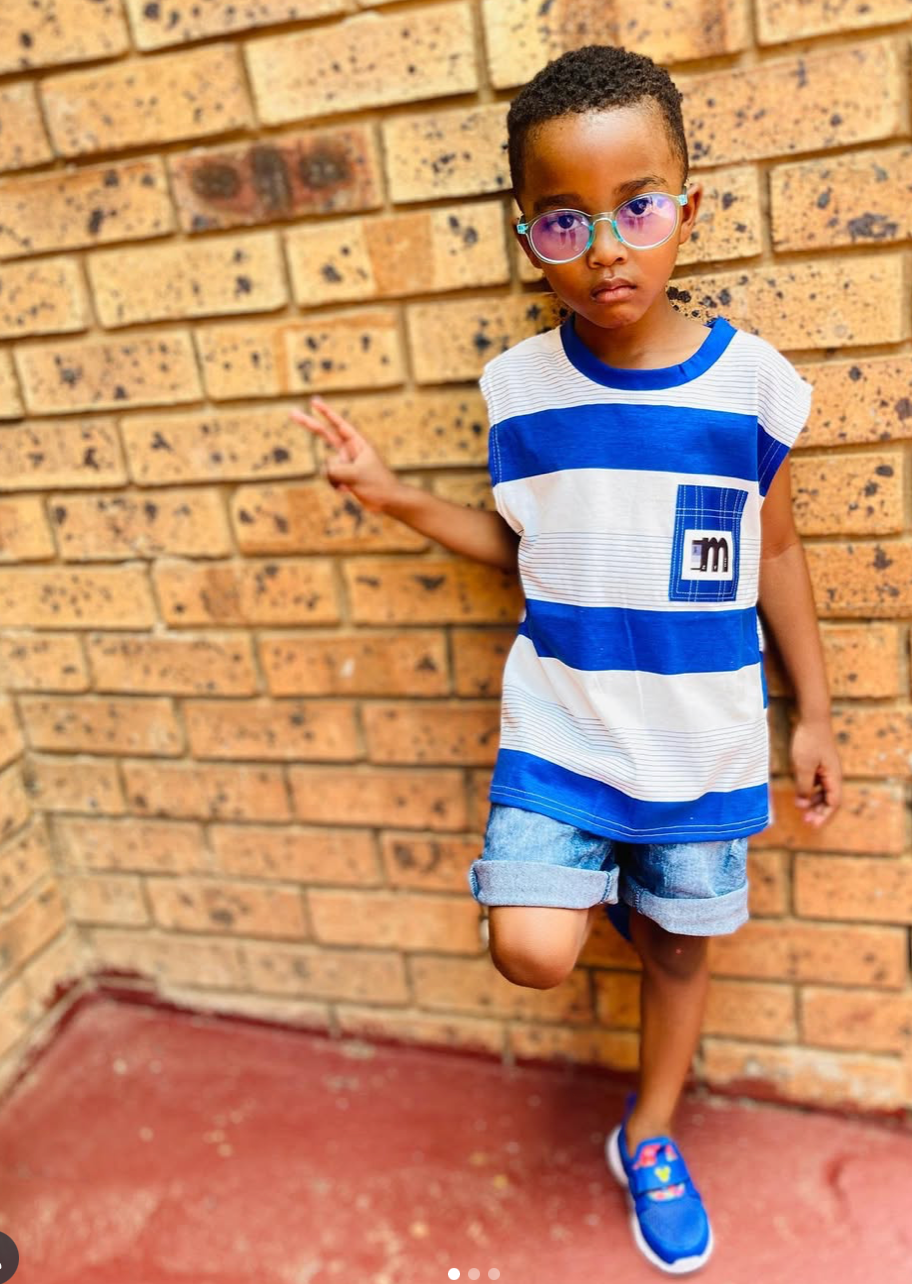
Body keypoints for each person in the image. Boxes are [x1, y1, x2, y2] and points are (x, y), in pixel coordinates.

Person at [291, 43, 843, 1276]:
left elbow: (779, 554)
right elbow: (523, 547)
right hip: (564, 727)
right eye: (564, 220)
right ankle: (618, 884)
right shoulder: (519, 391)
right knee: (534, 946)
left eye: (638, 208)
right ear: (526, 234)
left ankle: (649, 1135)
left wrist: (814, 711)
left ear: (689, 207)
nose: (605, 249)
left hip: (697, 740)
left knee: (682, 952)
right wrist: (393, 497)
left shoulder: (752, 388)